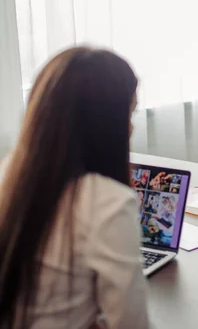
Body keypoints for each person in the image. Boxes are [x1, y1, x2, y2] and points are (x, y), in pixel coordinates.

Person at [0, 47, 150, 328]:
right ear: (104, 122)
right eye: (128, 114)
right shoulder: (107, 201)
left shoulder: (9, 172)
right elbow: (131, 323)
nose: (130, 128)